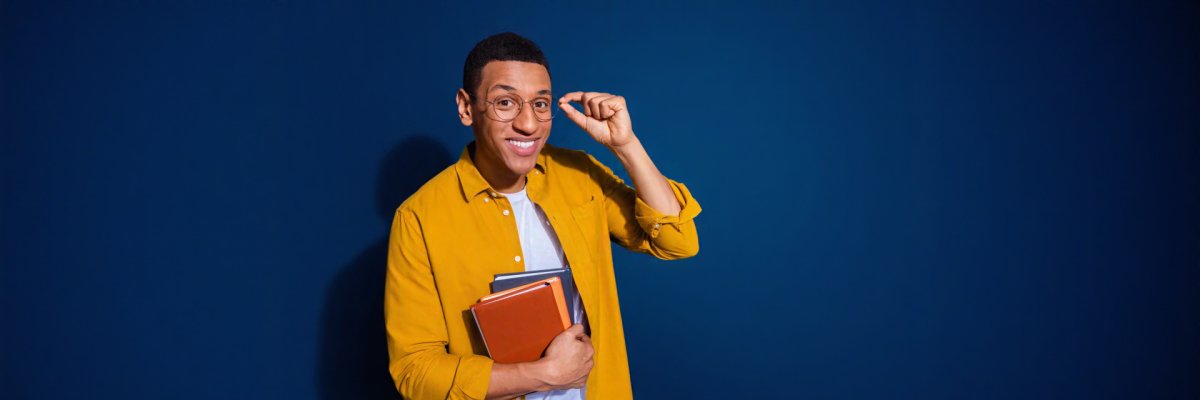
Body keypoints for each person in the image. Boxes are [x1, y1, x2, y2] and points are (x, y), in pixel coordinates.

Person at [384, 32, 701, 400]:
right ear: (466, 107)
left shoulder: (580, 176)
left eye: (540, 104)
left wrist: (625, 146)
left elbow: (677, 241)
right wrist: (543, 375)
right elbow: (415, 372)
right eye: (505, 102)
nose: (529, 125)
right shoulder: (419, 218)